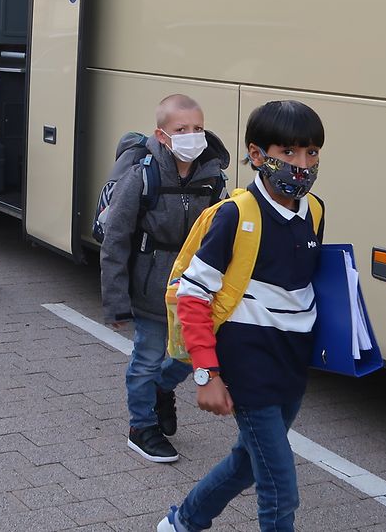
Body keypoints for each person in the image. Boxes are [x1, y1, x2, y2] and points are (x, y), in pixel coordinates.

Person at [158, 100, 326, 532]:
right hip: (247, 366)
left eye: (311, 153)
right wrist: (206, 375)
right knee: (280, 487)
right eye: (287, 153)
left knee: (249, 461)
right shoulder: (236, 215)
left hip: (291, 362)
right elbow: (194, 295)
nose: (301, 165)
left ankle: (185, 520)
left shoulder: (315, 211)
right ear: (257, 155)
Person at [100, 94, 229, 464]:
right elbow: (116, 238)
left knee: (189, 355)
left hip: (194, 289)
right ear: (162, 135)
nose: (192, 136)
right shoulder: (143, 175)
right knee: (147, 358)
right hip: (151, 288)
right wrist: (116, 301)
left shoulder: (212, 178)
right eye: (181, 130)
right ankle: (141, 427)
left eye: (198, 128)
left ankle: (161, 389)